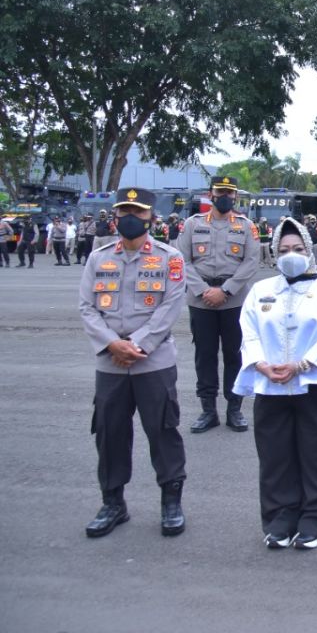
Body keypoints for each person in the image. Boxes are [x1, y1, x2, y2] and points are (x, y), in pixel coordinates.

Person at [234, 218, 317, 550]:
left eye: (297, 249)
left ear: (310, 250)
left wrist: (300, 366)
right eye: (283, 250)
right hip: (270, 384)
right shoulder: (262, 291)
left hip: (316, 384)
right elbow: (248, 333)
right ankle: (280, 519)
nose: (290, 255)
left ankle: (316, 520)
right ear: (274, 253)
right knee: (275, 456)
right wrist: (261, 365)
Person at [79, 188, 188, 538]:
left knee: (162, 431)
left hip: (152, 362)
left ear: (151, 219)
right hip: (110, 362)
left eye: (136, 213)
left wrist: (136, 345)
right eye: (123, 211)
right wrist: (113, 344)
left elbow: (170, 307)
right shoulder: (98, 257)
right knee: (110, 433)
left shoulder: (169, 258)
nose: (129, 218)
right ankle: (113, 503)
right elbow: (87, 308)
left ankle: (171, 502)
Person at [177, 176, 261, 433]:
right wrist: (204, 291)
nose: (225, 196)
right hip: (200, 300)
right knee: (204, 355)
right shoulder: (192, 224)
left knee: (235, 354)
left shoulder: (246, 226)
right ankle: (208, 410)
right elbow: (182, 260)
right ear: (210, 194)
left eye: (230, 192)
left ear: (235, 196)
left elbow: (251, 261)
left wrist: (225, 290)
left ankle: (234, 409)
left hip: (233, 300)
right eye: (220, 192)